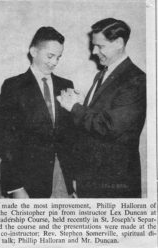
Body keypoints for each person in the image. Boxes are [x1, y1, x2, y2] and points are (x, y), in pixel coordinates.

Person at [57, 18, 146, 198]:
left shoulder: (135, 79)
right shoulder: (103, 74)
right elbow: (98, 117)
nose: (94, 51)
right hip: (93, 178)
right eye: (93, 46)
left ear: (119, 43)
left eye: (100, 46)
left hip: (114, 183)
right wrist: (83, 103)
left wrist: (74, 107)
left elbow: (109, 126)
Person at [0, 27, 76, 198]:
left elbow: (71, 136)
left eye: (58, 57)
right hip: (28, 182)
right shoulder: (13, 86)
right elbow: (6, 139)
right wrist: (16, 187)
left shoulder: (66, 85)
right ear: (33, 51)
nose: (54, 62)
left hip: (63, 178)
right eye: (50, 56)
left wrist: (75, 180)